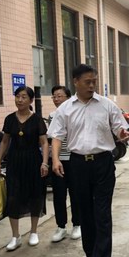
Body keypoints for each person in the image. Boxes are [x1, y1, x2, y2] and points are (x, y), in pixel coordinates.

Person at [48, 64, 129, 257]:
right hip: (77, 164)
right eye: (87, 82)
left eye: (94, 81)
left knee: (102, 213)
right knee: (84, 211)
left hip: (103, 163)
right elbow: (57, 136)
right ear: (75, 82)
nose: (92, 85)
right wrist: (55, 159)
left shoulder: (106, 105)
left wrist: (122, 134)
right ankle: (91, 253)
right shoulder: (65, 109)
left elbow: (119, 127)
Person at [0, 86, 49, 251]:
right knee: (13, 197)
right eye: (17, 96)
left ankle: (33, 232)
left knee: (35, 195)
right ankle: (15, 236)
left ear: (31, 100)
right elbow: (5, 141)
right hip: (14, 162)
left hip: (33, 161)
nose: (20, 100)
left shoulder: (37, 120)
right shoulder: (10, 119)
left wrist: (44, 162)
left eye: (24, 97)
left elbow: (44, 142)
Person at [48, 86, 81, 243]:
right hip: (58, 161)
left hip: (74, 160)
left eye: (59, 96)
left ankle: (77, 224)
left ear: (68, 98)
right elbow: (52, 138)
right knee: (59, 195)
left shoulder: (75, 114)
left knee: (76, 193)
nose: (56, 99)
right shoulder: (52, 116)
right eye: (54, 96)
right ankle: (61, 226)